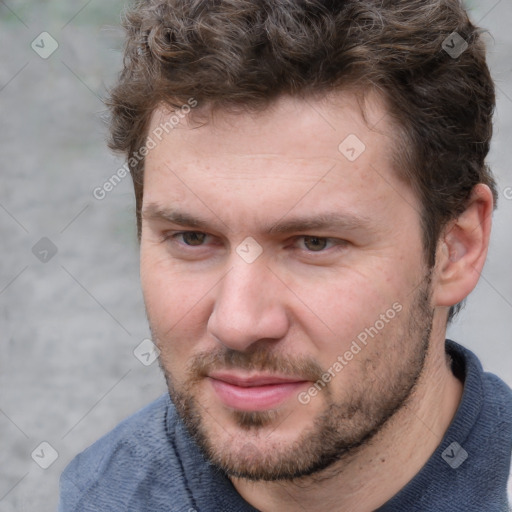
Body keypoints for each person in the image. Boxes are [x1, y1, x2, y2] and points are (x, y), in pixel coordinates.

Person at [59, 0, 512, 510]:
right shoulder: (103, 495)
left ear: (457, 248)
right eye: (191, 237)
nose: (238, 322)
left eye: (314, 243)